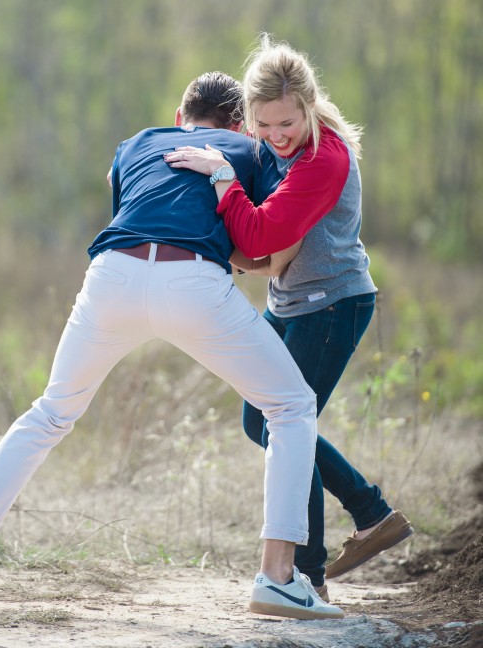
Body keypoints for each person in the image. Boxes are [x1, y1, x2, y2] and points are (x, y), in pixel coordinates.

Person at [0, 71, 344, 620]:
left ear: (179, 115)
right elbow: (252, 241)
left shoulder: (136, 143)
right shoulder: (250, 151)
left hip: (111, 275)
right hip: (193, 281)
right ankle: (278, 578)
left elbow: (136, 210)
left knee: (49, 413)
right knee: (290, 406)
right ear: (241, 123)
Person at [164, 37, 414, 599]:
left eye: (287, 123)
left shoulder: (325, 157)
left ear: (308, 105)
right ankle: (370, 513)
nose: (276, 136)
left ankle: (310, 578)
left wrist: (224, 180)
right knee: (265, 423)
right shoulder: (267, 143)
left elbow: (261, 235)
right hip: (288, 303)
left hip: (332, 305)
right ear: (249, 117)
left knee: (285, 426)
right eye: (264, 125)